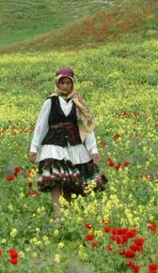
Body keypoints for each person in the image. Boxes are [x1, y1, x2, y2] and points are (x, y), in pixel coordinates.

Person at [28, 67, 107, 221]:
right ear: (57, 83)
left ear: (72, 84)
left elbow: (87, 128)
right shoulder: (50, 102)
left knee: (69, 182)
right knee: (56, 180)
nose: (65, 86)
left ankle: (66, 214)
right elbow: (41, 125)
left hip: (73, 146)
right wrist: (34, 148)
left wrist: (93, 150)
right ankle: (58, 215)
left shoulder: (79, 103)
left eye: (68, 83)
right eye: (62, 83)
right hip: (53, 145)